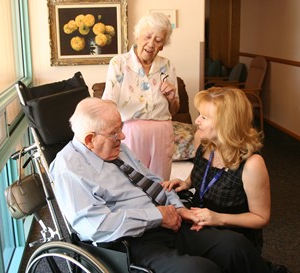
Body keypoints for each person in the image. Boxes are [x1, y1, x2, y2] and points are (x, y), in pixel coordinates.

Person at [50, 97, 272, 273]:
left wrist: (179, 210)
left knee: (234, 246)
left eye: (120, 128)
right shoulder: (68, 169)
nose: (123, 136)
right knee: (200, 270)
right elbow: (96, 226)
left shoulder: (115, 147)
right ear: (90, 139)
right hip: (131, 242)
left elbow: (153, 181)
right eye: (115, 133)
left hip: (167, 221)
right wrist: (157, 215)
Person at [162, 87, 291, 273]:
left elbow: (261, 218)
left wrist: (219, 219)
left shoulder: (252, 164)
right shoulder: (203, 141)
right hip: (201, 224)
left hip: (235, 237)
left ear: (226, 123)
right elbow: (200, 170)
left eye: (204, 117)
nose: (196, 121)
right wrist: (187, 182)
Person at [102, 12, 179, 180]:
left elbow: (174, 110)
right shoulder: (119, 63)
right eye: (147, 37)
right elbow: (108, 102)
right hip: (131, 132)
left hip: (162, 131)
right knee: (132, 182)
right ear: (137, 36)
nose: (151, 44)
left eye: (158, 40)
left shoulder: (167, 65)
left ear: (163, 45)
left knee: (161, 183)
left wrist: (172, 97)